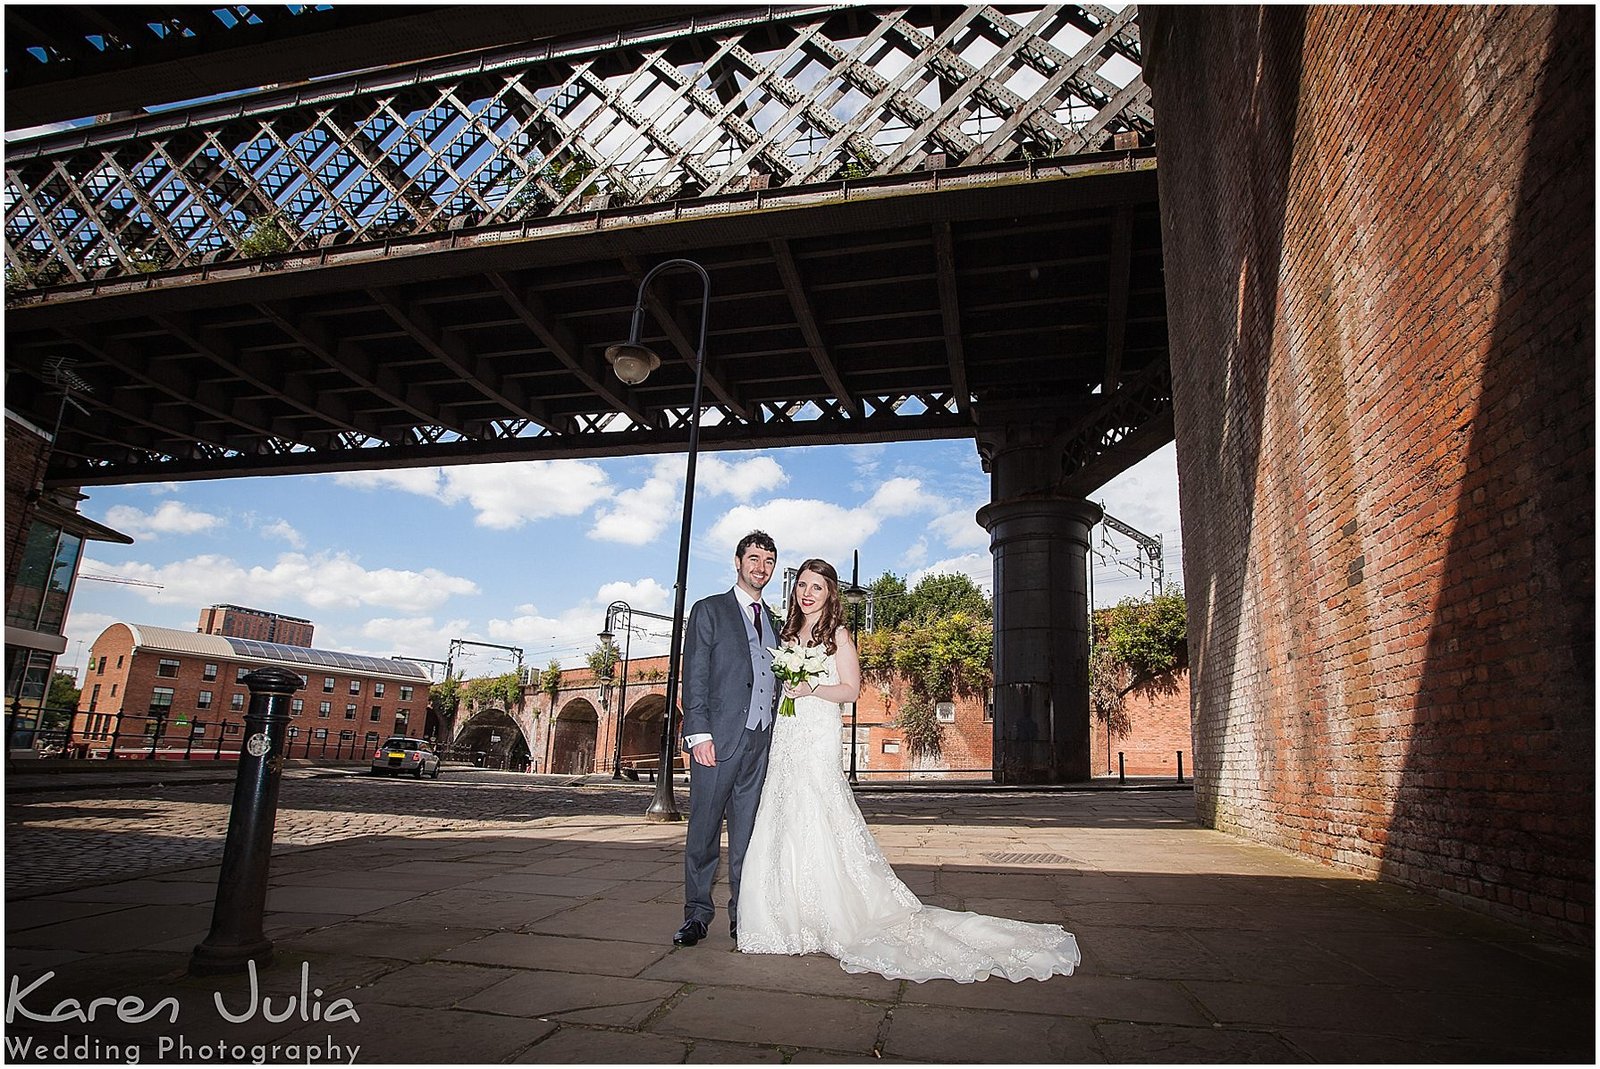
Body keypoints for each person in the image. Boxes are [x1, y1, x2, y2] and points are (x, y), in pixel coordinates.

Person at [736, 558, 1081, 983]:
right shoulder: (788, 634)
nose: (807, 593)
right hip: (788, 733)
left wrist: (811, 688)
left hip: (817, 730)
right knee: (783, 812)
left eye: (817, 588)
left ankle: (829, 912)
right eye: (802, 586)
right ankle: (784, 916)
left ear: (830, 595)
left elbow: (851, 689)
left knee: (818, 809)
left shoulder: (839, 635)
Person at [673, 530, 781, 947]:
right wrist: (697, 733)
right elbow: (695, 674)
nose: (761, 568)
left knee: (748, 836)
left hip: (759, 741)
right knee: (703, 831)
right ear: (737, 562)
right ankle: (697, 915)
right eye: (753, 559)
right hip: (715, 742)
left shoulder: (773, 620)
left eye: (768, 561)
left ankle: (744, 915)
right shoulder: (709, 611)